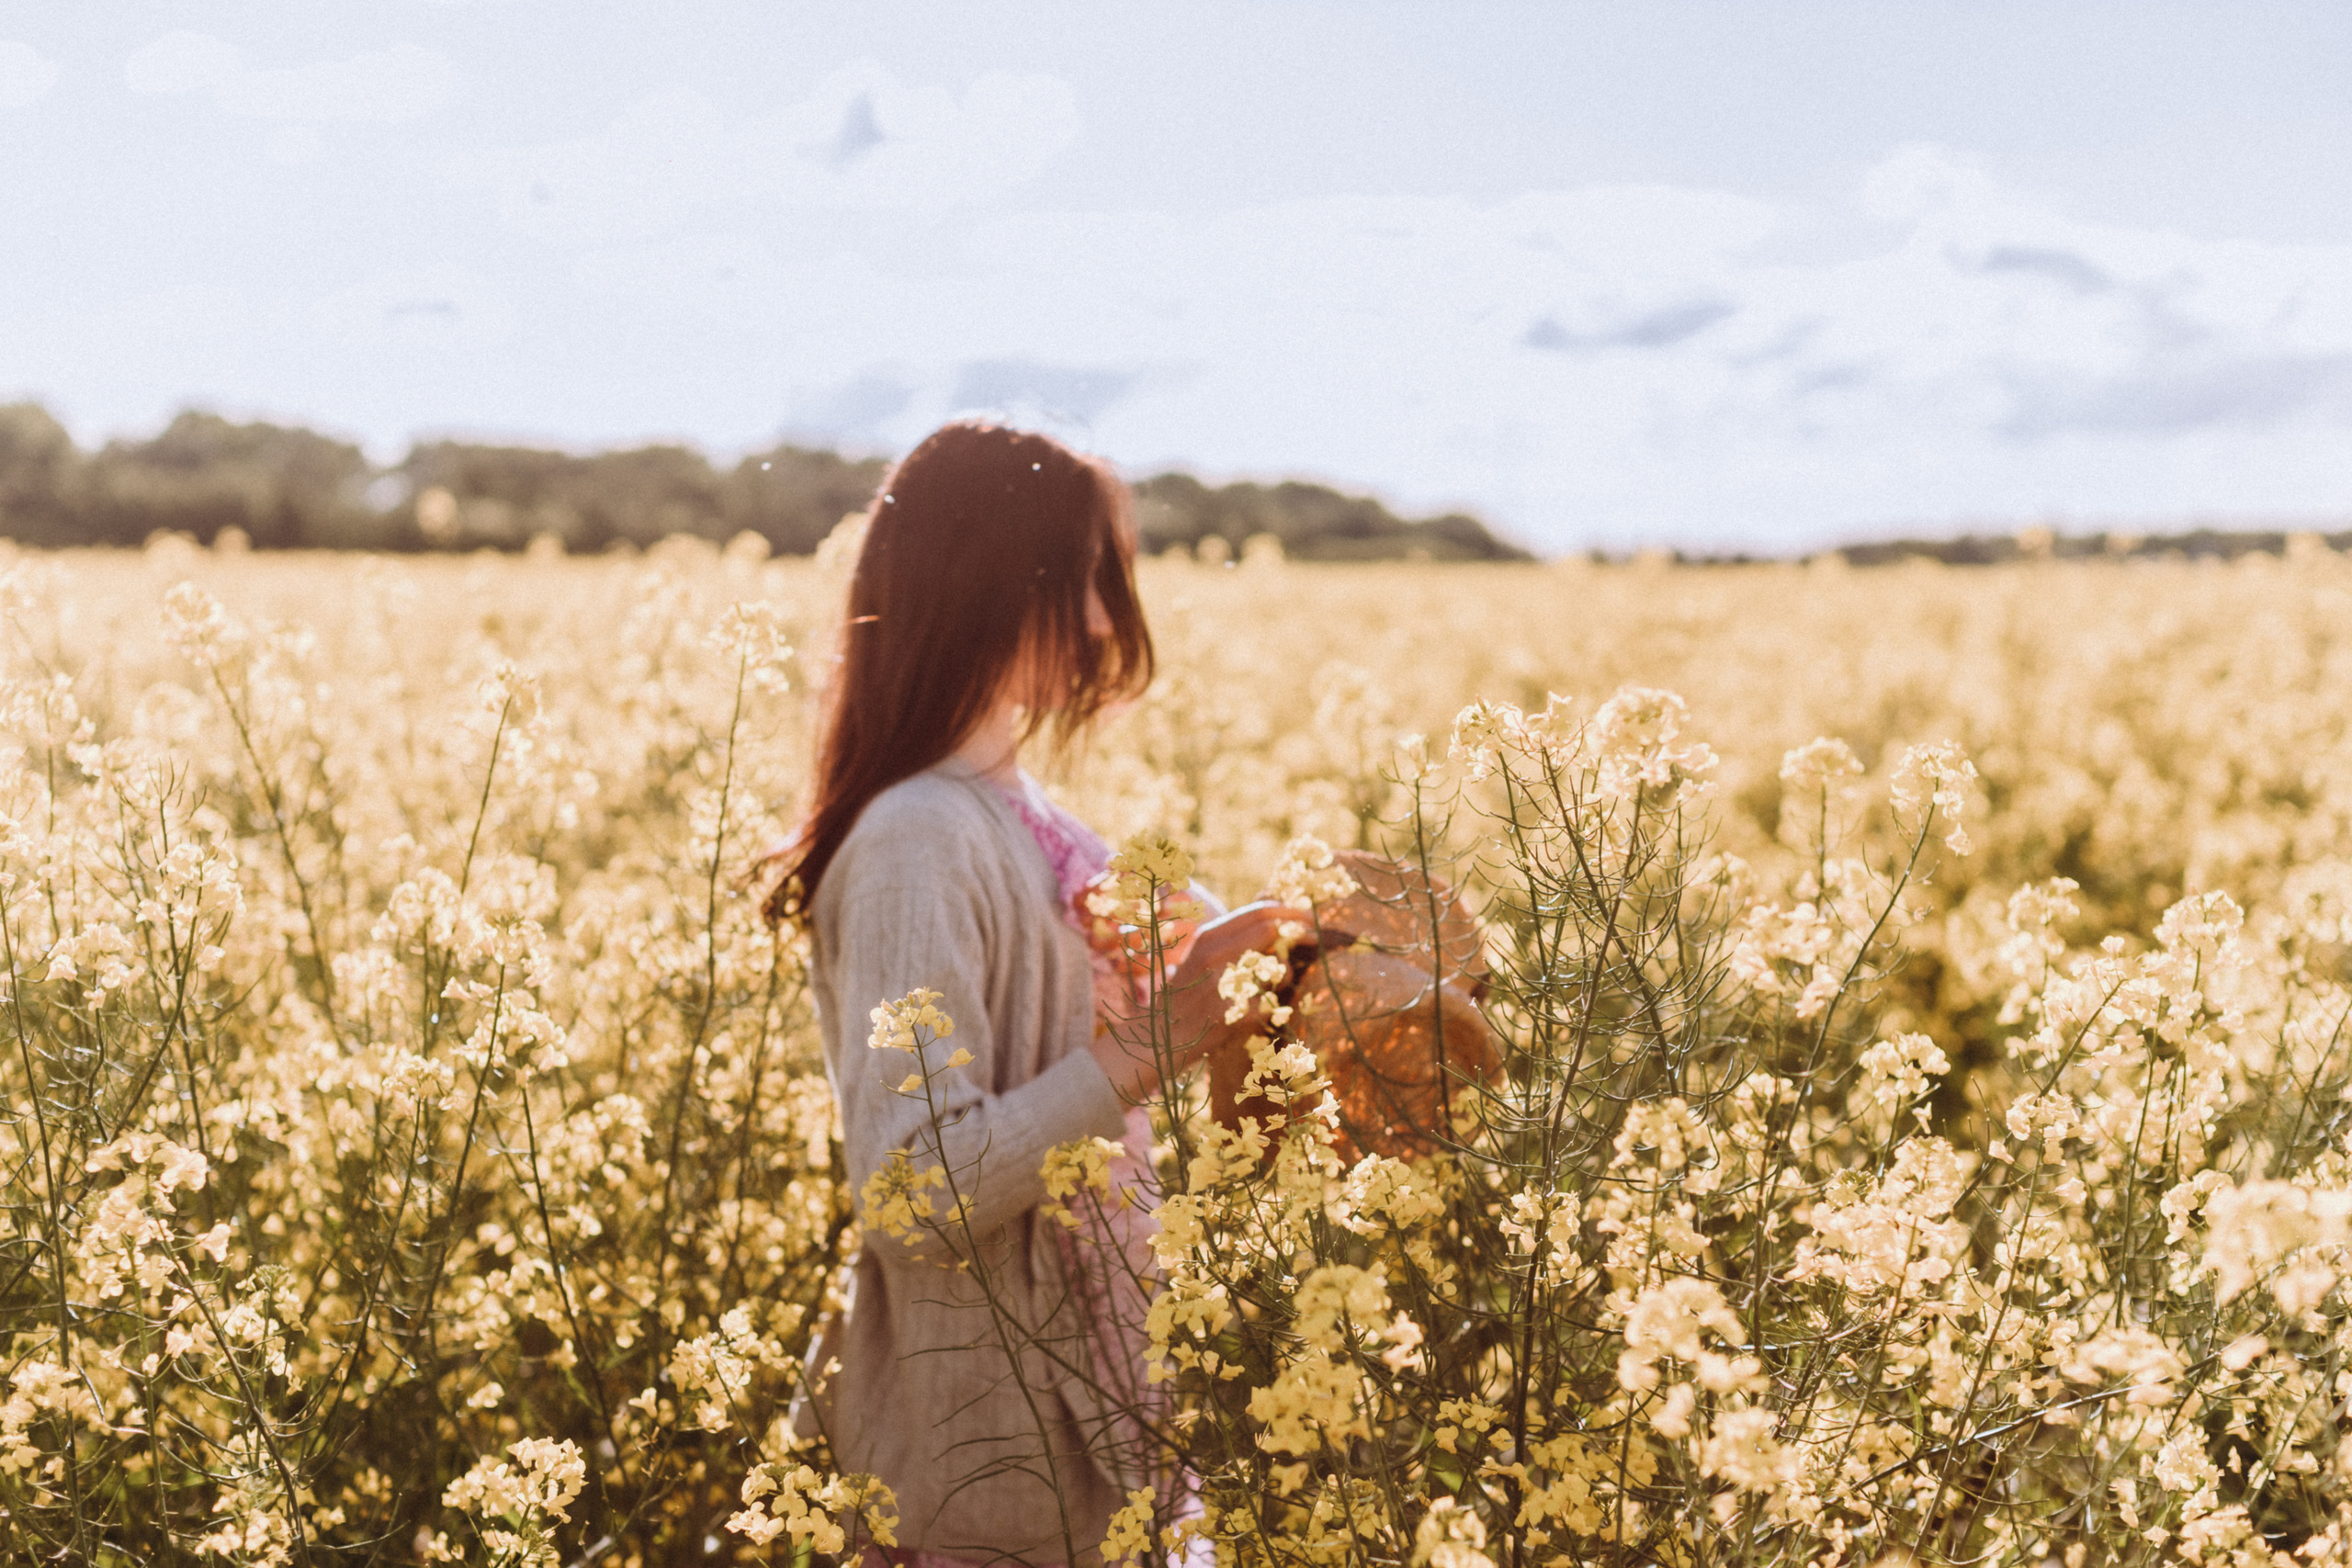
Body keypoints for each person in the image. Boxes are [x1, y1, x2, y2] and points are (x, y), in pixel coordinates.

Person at [764, 421, 1304, 1566]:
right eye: (1085, 580)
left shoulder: (1028, 820)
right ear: (989, 585)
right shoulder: (918, 838)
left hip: (1076, 1437)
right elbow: (912, 1194)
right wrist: (1151, 1044)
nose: (1108, 621)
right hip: (977, 1472)